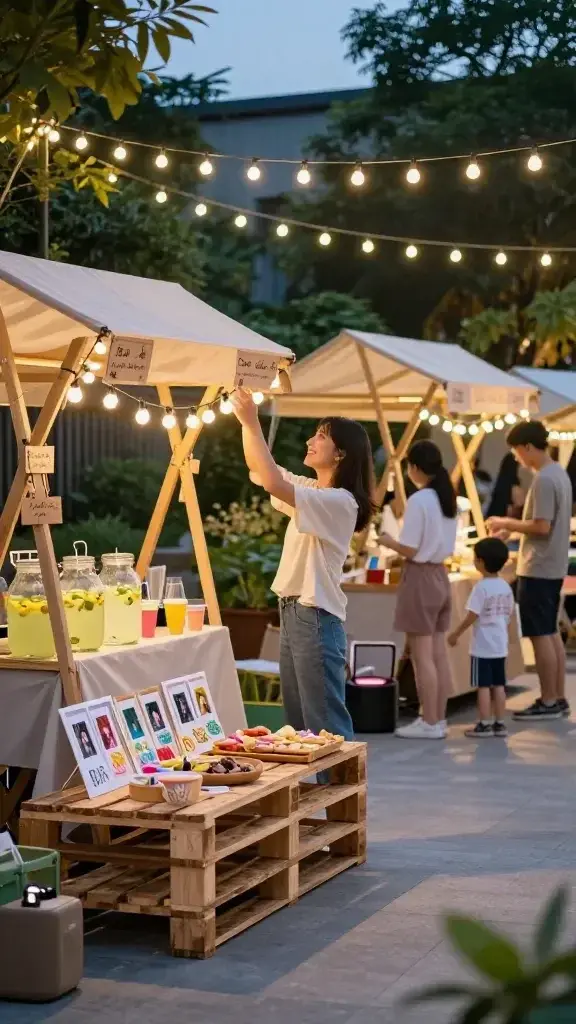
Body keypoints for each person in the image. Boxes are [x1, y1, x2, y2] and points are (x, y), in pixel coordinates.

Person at [231, 388, 375, 739]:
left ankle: (340, 791)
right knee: (298, 726)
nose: (311, 440)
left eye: (321, 436)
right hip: (295, 612)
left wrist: (252, 421)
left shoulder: (341, 502)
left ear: (340, 454)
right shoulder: (314, 491)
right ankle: (313, 791)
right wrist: (244, 421)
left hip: (315, 616)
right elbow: (261, 469)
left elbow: (272, 481)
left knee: (325, 724)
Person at [487, 420, 572, 720]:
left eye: (516, 452)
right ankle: (557, 697)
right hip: (551, 565)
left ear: (527, 448)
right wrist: (516, 532)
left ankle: (548, 699)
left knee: (540, 634)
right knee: (549, 633)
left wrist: (506, 523)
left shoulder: (544, 480)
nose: (517, 459)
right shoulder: (557, 473)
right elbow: (541, 526)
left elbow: (541, 526)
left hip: (539, 567)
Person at [379, 439, 457, 739]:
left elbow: (410, 549)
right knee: (438, 653)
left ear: (413, 468)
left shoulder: (421, 499)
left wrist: (388, 542)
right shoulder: (446, 498)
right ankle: (438, 720)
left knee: (422, 655)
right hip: (440, 576)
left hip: (421, 577)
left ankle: (429, 720)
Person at [448, 538, 515, 738]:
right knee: (499, 685)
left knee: (483, 686)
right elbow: (509, 615)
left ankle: (484, 724)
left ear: (481, 562)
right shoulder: (505, 586)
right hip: (499, 645)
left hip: (482, 647)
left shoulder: (481, 588)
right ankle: (500, 723)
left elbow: (472, 615)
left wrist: (455, 633)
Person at [485, 452, 524, 520]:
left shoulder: (498, 483)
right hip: (505, 523)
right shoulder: (515, 487)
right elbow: (520, 505)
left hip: (492, 519)